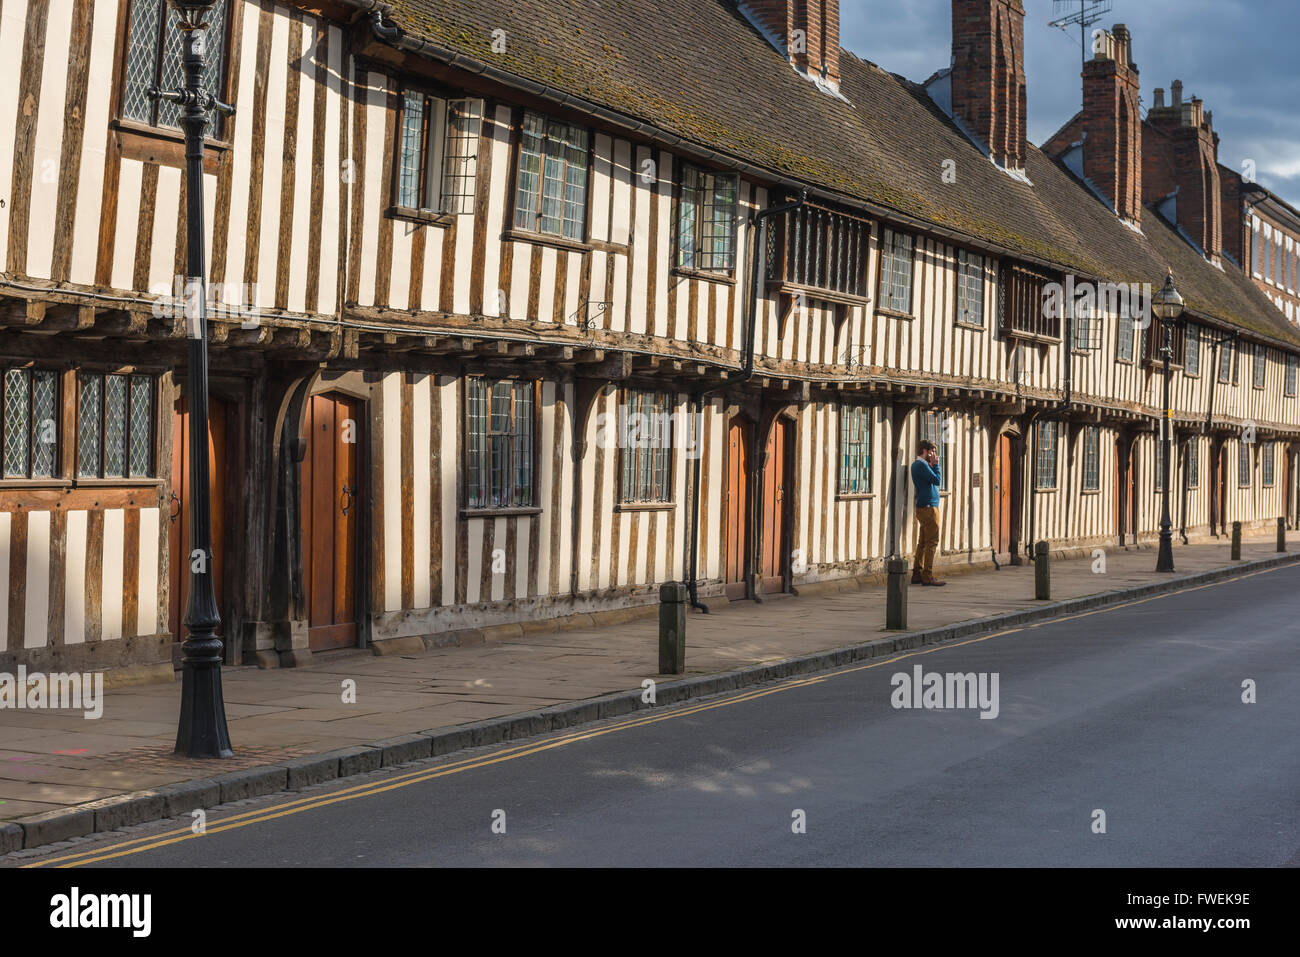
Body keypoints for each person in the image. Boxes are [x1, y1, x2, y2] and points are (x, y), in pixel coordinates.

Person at [910, 440, 946, 586]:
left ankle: (917, 573)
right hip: (929, 508)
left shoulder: (920, 465)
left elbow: (930, 480)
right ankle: (927, 575)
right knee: (932, 542)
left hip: (924, 507)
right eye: (932, 452)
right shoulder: (921, 465)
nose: (934, 455)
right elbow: (937, 480)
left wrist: (931, 466)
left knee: (923, 542)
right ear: (925, 451)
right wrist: (936, 465)